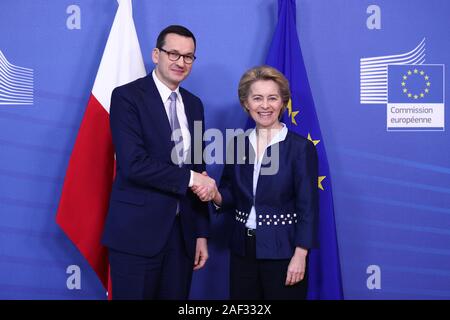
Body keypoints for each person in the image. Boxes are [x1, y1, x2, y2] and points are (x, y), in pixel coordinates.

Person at [102, 25, 215, 300]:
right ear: (156, 54)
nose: (181, 62)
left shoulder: (194, 104)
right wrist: (191, 179)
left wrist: (200, 232)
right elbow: (134, 164)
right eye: (173, 53)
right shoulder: (127, 97)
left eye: (188, 56)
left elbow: (198, 167)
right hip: (136, 234)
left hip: (181, 237)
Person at [194, 65, 319, 299]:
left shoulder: (301, 148)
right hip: (242, 250)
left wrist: (300, 255)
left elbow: (308, 207)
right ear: (246, 103)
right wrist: (214, 194)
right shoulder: (238, 144)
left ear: (283, 102)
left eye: (272, 98)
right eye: (257, 98)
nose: (265, 105)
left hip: (284, 252)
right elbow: (230, 192)